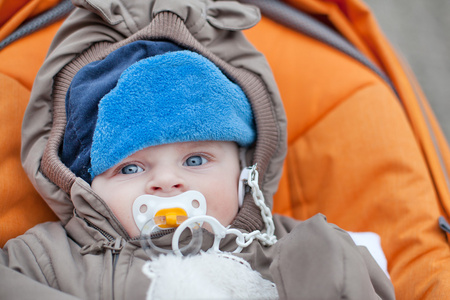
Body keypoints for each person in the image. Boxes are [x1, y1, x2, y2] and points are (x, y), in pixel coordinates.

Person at [0, 1, 395, 298]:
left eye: (195, 160)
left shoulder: (285, 251)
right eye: (131, 168)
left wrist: (329, 266)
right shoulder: (49, 260)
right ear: (83, 185)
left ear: (246, 171)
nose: (167, 181)